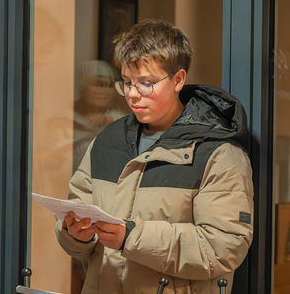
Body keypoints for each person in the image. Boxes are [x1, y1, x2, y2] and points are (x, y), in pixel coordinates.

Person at [55, 19, 254, 294]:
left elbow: (222, 248)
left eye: (146, 83)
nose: (133, 95)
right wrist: (75, 234)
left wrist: (132, 237)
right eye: (126, 83)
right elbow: (78, 209)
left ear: (178, 80)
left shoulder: (218, 153)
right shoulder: (106, 141)